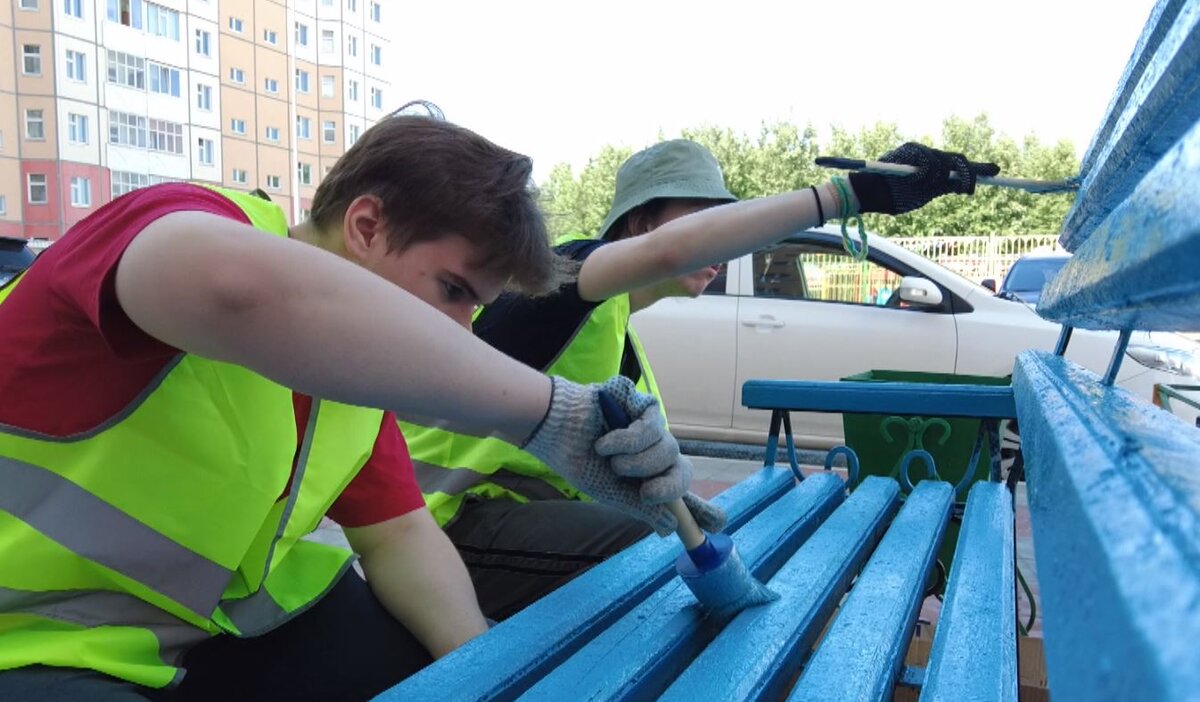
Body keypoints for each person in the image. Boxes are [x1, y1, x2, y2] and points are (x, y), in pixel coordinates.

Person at [0, 116, 717, 701]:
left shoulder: (355, 394)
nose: (462, 329)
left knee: (432, 671)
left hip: (209, 633)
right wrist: (546, 412)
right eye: (453, 290)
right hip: (30, 640)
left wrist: (484, 673)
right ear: (367, 225)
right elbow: (231, 289)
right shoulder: (188, 223)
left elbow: (401, 537)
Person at [403, 139, 999, 621]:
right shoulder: (561, 282)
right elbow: (667, 254)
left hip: (512, 520)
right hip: (447, 525)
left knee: (681, 551)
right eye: (703, 223)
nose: (721, 245)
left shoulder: (621, 337)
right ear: (640, 225)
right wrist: (851, 194)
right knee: (648, 565)